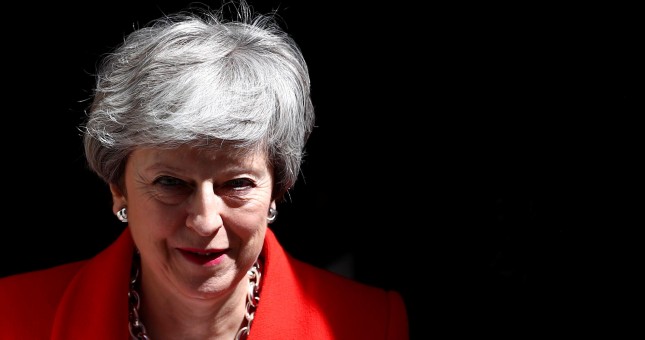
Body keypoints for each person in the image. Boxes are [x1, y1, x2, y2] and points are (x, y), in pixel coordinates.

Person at [0, 1, 409, 339]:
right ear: (117, 187)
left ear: (277, 191)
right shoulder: (12, 318)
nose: (203, 221)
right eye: (171, 183)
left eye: (237, 184)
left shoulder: (373, 326)